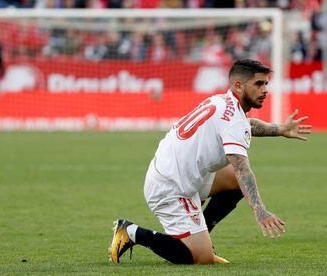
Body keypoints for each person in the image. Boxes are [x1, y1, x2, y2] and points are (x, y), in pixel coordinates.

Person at [109, 59, 312, 265]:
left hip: (177, 172)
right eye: (258, 84)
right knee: (201, 259)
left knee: (233, 182)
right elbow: (242, 169)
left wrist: (280, 130)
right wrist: (260, 210)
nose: (265, 89)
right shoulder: (232, 118)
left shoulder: (224, 102)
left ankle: (201, 236)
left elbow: (245, 125)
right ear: (239, 85)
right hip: (170, 188)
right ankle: (131, 232)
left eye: (266, 84)